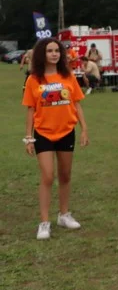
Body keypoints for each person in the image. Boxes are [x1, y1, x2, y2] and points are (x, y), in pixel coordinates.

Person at [22, 37, 89, 240]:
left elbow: (77, 104)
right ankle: (44, 222)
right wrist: (28, 136)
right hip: (43, 133)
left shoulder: (68, 76)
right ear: (42, 54)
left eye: (57, 51)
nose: (54, 54)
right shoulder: (34, 79)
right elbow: (31, 109)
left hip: (66, 131)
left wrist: (84, 129)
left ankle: (64, 214)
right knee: (48, 176)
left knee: (65, 175)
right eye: (50, 50)